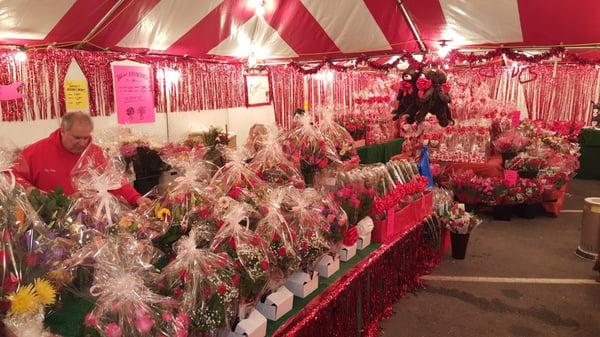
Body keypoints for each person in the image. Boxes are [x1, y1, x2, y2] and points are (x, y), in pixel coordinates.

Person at [12, 111, 150, 208]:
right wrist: (31, 190)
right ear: (63, 131)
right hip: (50, 219)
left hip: (89, 218)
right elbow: (11, 176)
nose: (83, 143)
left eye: (86, 137)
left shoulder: (96, 153)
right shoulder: (37, 151)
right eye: (77, 138)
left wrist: (137, 198)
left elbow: (115, 181)